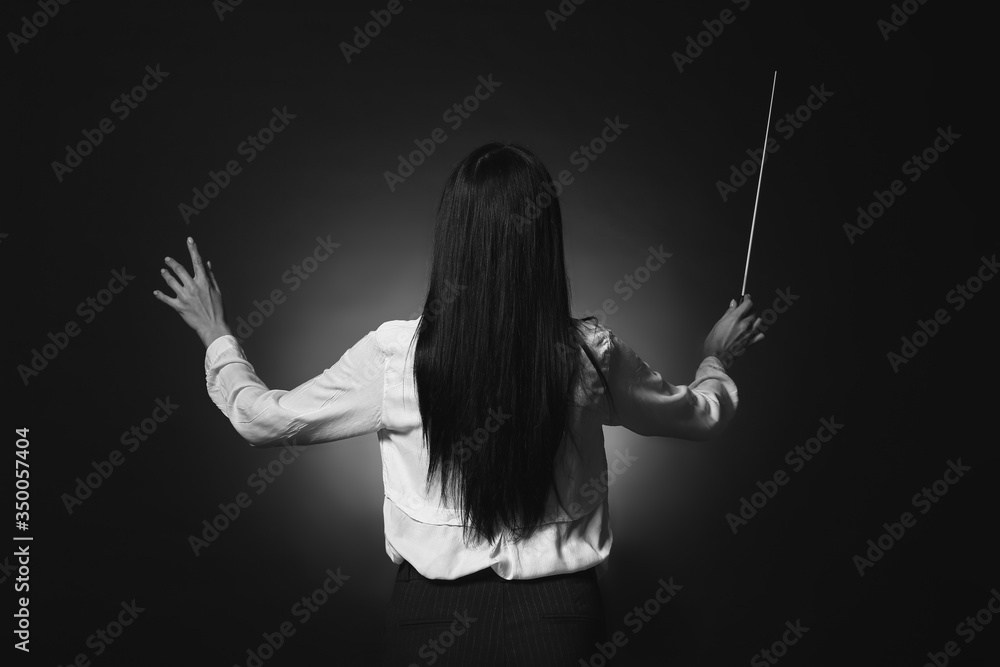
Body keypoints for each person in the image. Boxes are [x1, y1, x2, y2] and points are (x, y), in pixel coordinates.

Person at [154, 141, 764, 666]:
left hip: (429, 625)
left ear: (453, 239)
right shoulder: (589, 353)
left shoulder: (396, 355)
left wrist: (217, 336)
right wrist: (716, 359)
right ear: (545, 240)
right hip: (560, 624)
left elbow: (265, 420)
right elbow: (699, 416)